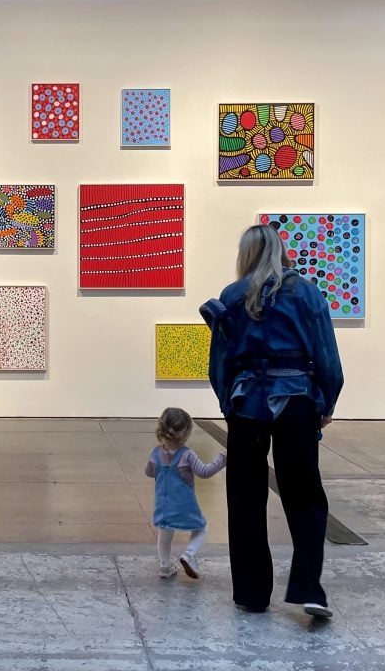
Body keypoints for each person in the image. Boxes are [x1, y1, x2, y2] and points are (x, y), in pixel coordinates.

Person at [202, 224, 343, 618]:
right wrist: (327, 400)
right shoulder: (305, 292)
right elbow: (326, 356)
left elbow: (219, 365)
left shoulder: (232, 296)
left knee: (245, 497)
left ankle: (251, 592)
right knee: (305, 495)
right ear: (280, 250)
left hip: (246, 403)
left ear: (245, 253)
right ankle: (308, 586)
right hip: (295, 401)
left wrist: (227, 404)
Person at [145, 407, 226, 580]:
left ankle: (165, 566)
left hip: (163, 505)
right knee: (201, 529)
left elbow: (149, 472)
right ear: (186, 433)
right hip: (184, 505)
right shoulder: (187, 455)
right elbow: (204, 472)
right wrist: (223, 458)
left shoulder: (155, 453)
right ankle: (189, 554)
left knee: (164, 535)